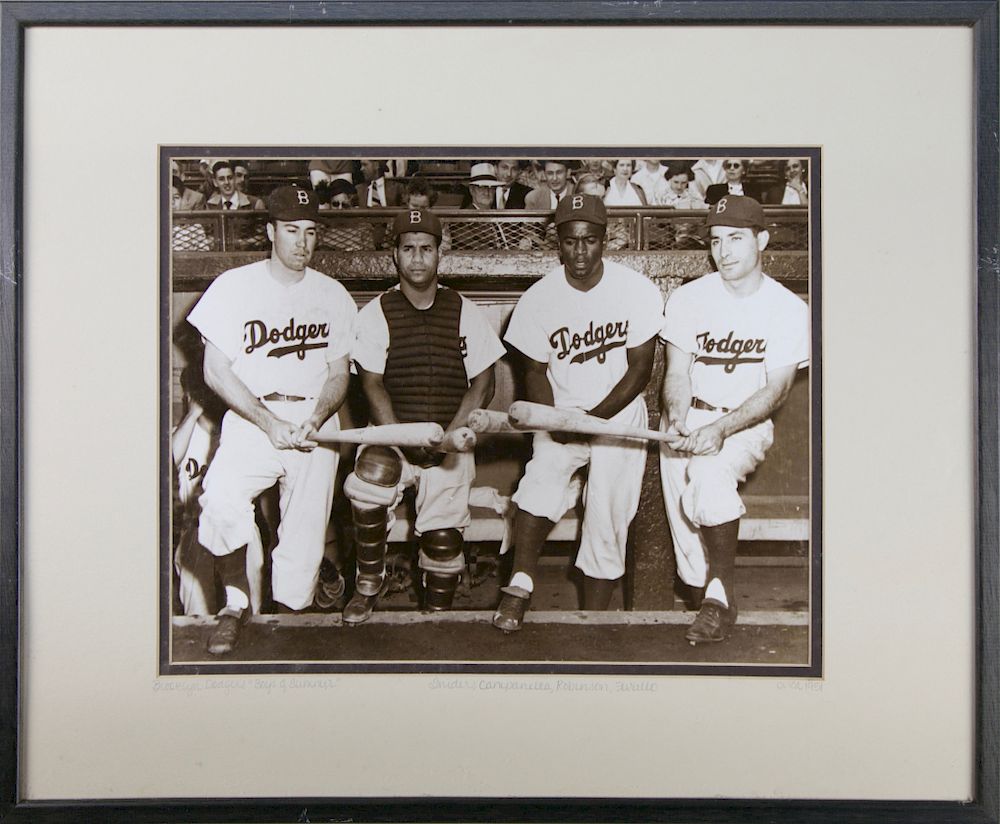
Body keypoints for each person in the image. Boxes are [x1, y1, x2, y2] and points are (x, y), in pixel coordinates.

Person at [186, 185, 358, 654]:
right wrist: (266, 421)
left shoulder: (333, 294)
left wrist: (318, 417)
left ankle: (292, 627)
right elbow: (214, 371)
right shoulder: (233, 286)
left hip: (314, 423)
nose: (301, 242)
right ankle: (235, 605)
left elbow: (339, 373)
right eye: (290, 230)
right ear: (269, 232)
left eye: (310, 231)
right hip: (254, 415)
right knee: (220, 498)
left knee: (303, 538)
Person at [492, 194, 664, 632]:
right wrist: (553, 421)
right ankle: (521, 582)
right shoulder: (538, 298)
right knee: (539, 480)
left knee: (607, 516)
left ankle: (594, 620)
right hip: (563, 412)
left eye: (589, 240)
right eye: (570, 241)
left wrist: (595, 419)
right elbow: (534, 370)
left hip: (618, 414)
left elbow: (640, 369)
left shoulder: (635, 288)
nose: (580, 252)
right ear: (559, 242)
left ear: (605, 240)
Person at [658, 196, 809, 644]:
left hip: (742, 425)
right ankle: (709, 598)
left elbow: (777, 389)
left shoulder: (788, 308)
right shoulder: (689, 297)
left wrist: (719, 430)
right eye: (716, 240)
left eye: (736, 239)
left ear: (761, 240)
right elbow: (677, 372)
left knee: (708, 478)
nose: (724, 251)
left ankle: (722, 598)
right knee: (689, 545)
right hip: (689, 421)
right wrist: (678, 417)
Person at [346, 208, 506, 623]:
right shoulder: (376, 312)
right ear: (394, 256)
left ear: (441, 253)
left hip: (450, 437)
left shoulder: (463, 309)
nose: (417, 258)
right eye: (408, 249)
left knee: (441, 538)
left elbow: (483, 383)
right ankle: (367, 583)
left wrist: (449, 437)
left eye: (426, 249)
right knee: (371, 477)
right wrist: (406, 437)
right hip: (395, 436)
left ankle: (437, 615)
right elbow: (371, 384)